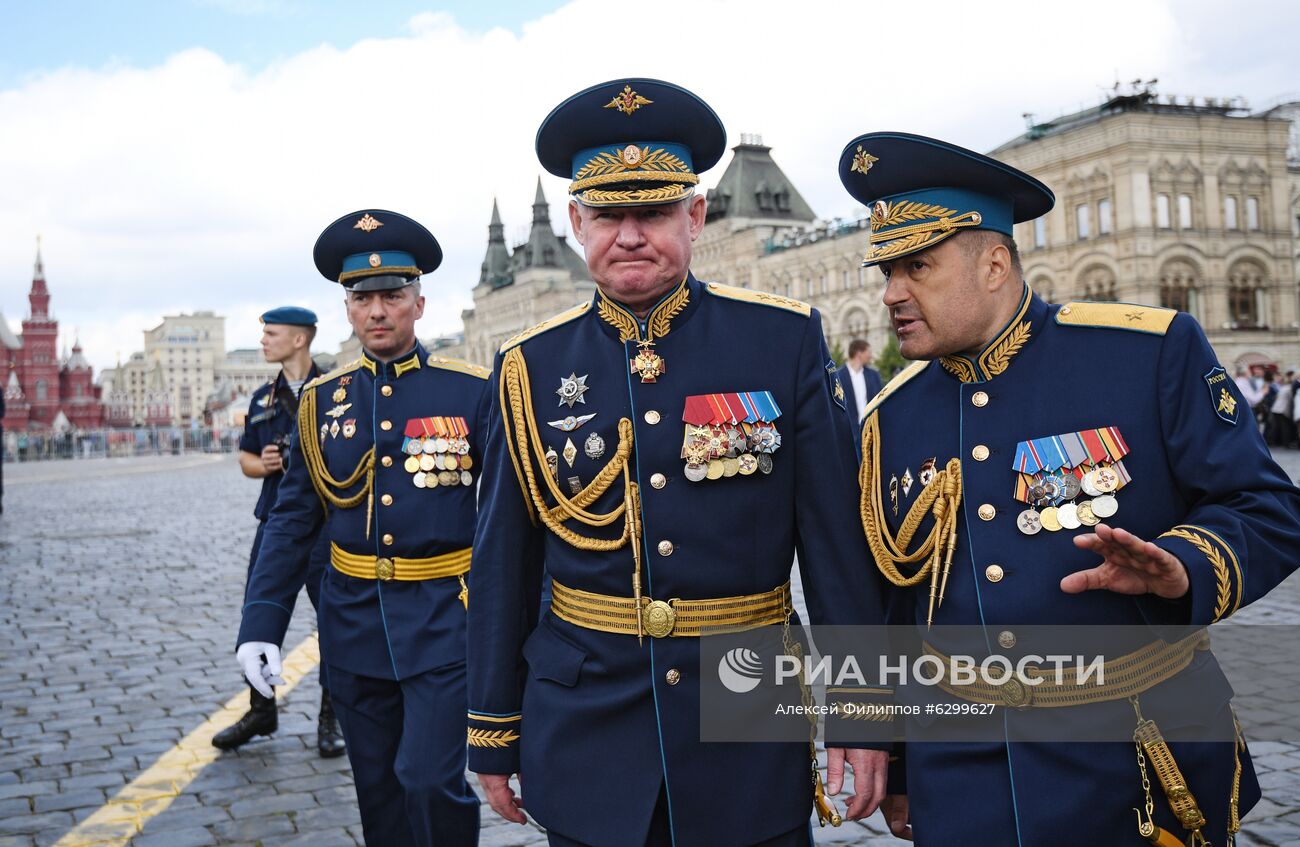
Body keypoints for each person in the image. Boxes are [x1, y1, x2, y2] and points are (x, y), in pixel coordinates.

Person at [838, 131, 1300, 846]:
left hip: (1133, 754)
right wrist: (901, 760)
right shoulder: (891, 419)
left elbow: (1268, 506)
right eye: (886, 270)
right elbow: (902, 608)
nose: (891, 293)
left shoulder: (1145, 352)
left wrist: (1183, 565)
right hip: (964, 774)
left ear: (994, 263)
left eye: (916, 266)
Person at [467, 78, 890, 847]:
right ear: (575, 222)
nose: (629, 234)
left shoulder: (783, 340)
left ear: (695, 216)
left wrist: (867, 715)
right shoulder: (526, 366)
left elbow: (835, 548)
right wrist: (492, 727)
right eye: (606, 215)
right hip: (586, 711)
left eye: (654, 212)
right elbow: (502, 562)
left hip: (747, 708)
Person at [234, 210, 489, 846]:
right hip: (352, 622)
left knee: (431, 780)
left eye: (392, 296)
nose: (378, 310)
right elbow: (293, 518)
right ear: (347, 308)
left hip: (443, 619)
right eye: (362, 298)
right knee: (378, 792)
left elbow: (507, 515)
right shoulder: (323, 401)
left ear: (419, 303)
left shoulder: (472, 392)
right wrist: (261, 622)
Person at [213, 306, 344, 757]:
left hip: (327, 525)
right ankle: (260, 709)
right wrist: (263, 463)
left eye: (272, 334)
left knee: (334, 619)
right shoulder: (261, 400)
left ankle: (333, 717)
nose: (264, 341)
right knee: (260, 611)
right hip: (274, 521)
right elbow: (247, 459)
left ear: (299, 340)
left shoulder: (336, 393)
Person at [836, 338, 884, 429]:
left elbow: (881, 400)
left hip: (871, 430)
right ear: (859, 354)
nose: (871, 356)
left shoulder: (874, 375)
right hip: (848, 432)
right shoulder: (838, 377)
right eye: (868, 352)